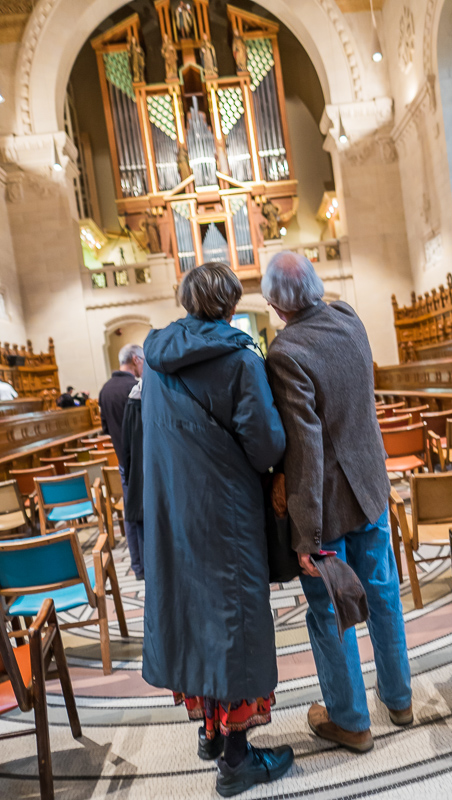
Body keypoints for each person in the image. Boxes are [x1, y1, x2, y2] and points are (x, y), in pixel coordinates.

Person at [142, 263, 293, 797]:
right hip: (227, 513)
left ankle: (210, 732)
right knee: (235, 625)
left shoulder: (155, 360)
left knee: (196, 621)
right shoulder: (238, 359)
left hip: (176, 512)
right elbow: (266, 445)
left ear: (186, 304)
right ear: (232, 305)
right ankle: (236, 760)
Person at [262, 252, 412, 753]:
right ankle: (399, 698)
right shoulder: (349, 317)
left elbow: (304, 450)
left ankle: (350, 721)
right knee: (384, 593)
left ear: (276, 306)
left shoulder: (285, 353)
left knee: (330, 610)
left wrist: (305, 535)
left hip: (326, 505)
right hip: (369, 488)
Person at [99, 343, 145, 580]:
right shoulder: (136, 387)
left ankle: (137, 565)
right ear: (136, 359)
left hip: (122, 461)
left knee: (131, 514)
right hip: (142, 463)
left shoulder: (104, 390)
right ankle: (150, 564)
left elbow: (105, 428)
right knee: (146, 513)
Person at [121, 379, 144, 570]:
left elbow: (126, 448)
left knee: (141, 525)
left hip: (138, 475)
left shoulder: (134, 398)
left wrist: (129, 477)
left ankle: (141, 566)